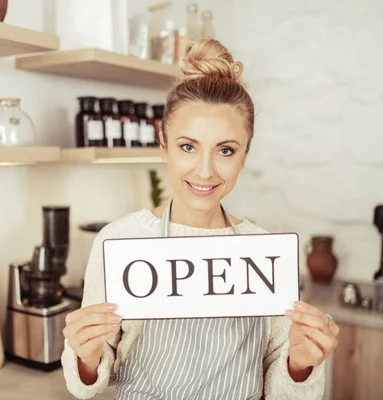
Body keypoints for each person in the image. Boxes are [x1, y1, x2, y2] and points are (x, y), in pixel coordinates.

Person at [61, 38, 339, 400]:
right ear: (163, 147)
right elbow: (90, 379)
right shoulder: (120, 240)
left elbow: (280, 383)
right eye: (188, 147)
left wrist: (300, 364)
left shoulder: (263, 251)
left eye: (225, 150)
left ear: (244, 155)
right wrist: (85, 354)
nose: (205, 171)